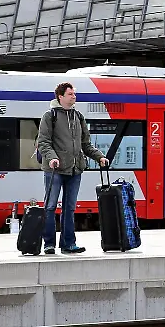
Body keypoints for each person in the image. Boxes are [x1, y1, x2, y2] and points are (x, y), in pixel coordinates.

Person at [36, 82, 108, 254]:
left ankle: (68, 244)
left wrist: (99, 156)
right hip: (55, 169)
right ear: (60, 97)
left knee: (70, 207)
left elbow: (85, 144)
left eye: (74, 94)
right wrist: (52, 158)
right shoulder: (49, 116)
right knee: (51, 206)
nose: (74, 97)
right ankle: (49, 244)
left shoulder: (78, 116)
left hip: (75, 169)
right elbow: (43, 142)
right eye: (70, 94)